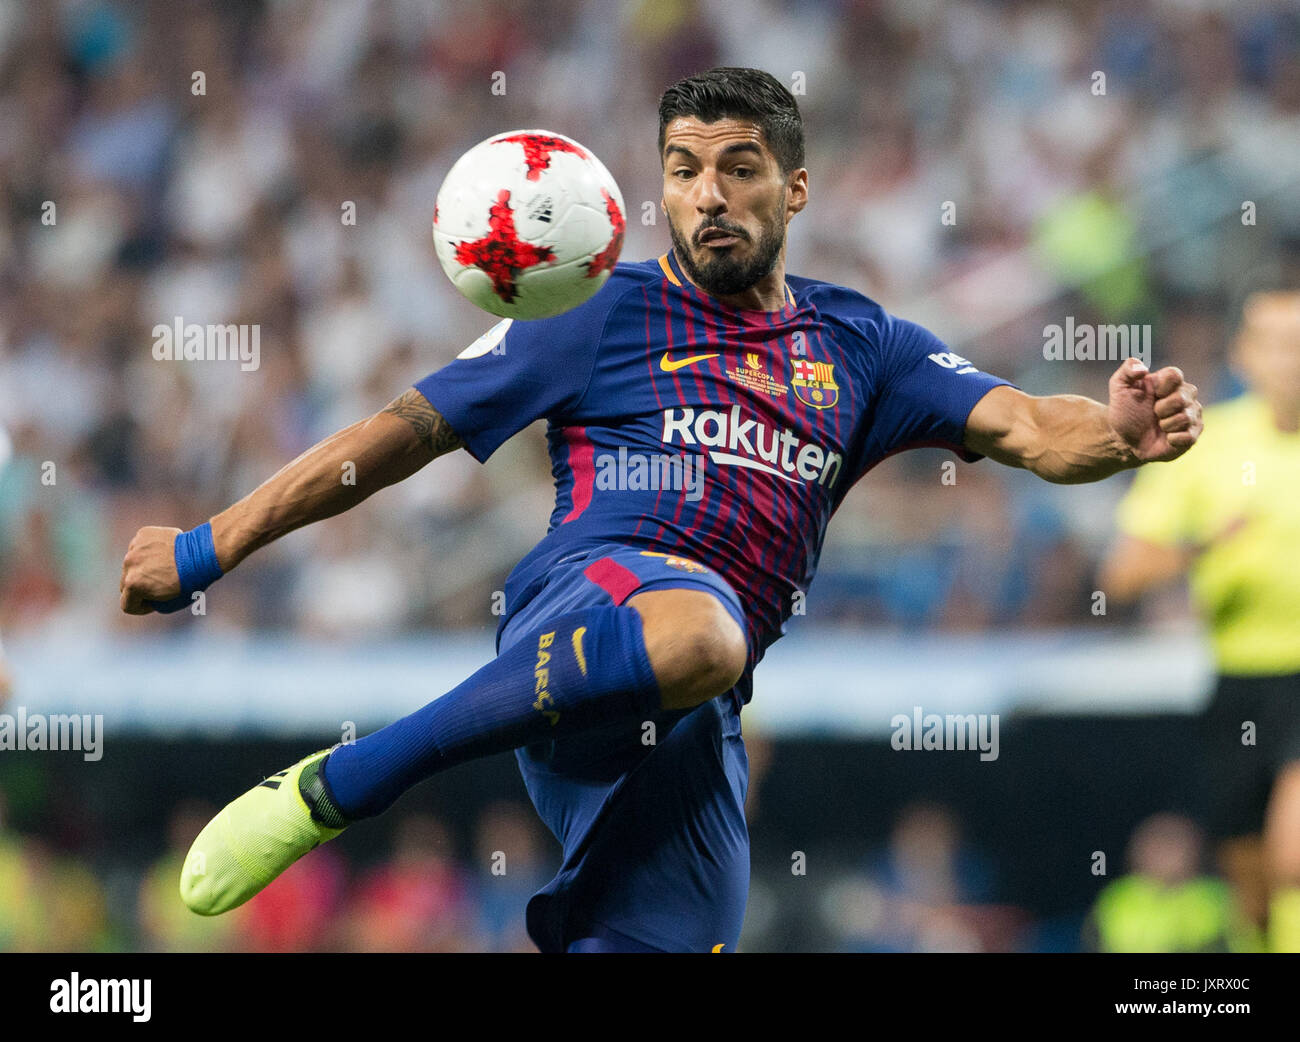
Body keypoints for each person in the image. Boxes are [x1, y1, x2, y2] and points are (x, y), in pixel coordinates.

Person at [120, 67, 1203, 953]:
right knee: (699, 628)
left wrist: (1118, 435)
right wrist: (209, 547)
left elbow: (1023, 423)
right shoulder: (595, 309)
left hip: (692, 712)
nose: (707, 195)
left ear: (797, 189)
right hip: (585, 607)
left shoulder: (862, 344)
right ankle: (346, 779)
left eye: (739, 169)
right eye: (682, 171)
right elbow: (397, 434)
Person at [1100, 289, 1300, 952]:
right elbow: (1122, 574)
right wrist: (1204, 547)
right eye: (1278, 343)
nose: (1292, 359)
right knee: (1254, 885)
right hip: (1239, 678)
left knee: (1293, 854)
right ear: (1246, 355)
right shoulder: (1207, 444)